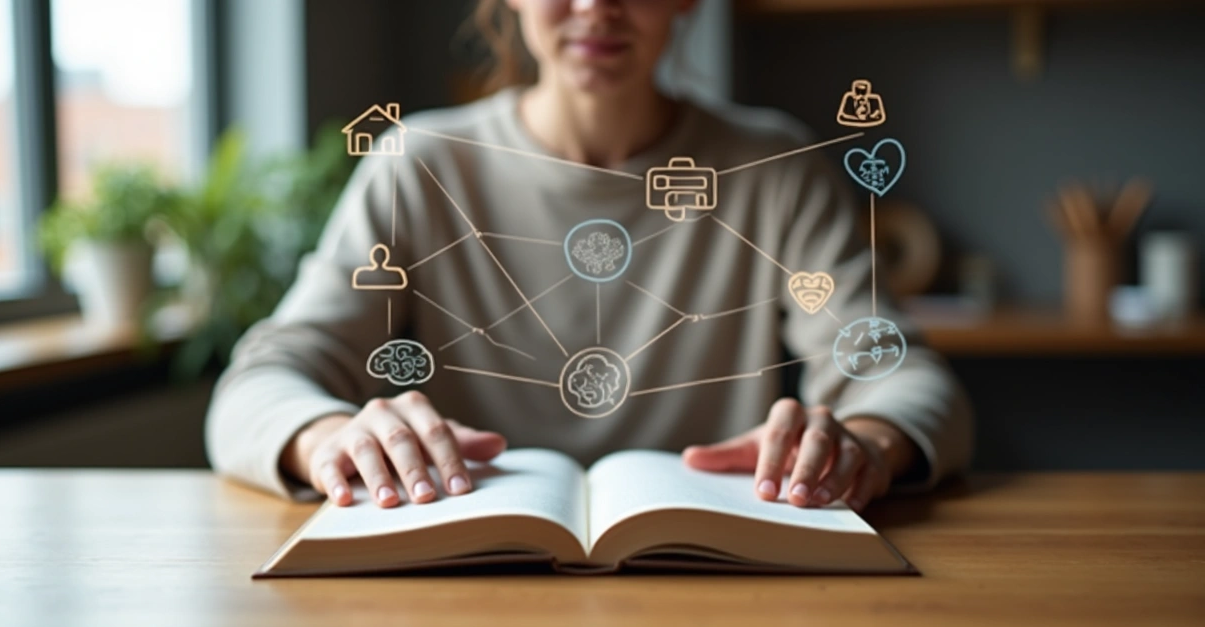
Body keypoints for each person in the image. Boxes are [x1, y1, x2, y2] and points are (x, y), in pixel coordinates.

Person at [206, 0, 972, 512]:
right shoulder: (417, 166)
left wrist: (867, 444)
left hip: (717, 579)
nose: (595, 6)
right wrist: (326, 437)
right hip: (464, 579)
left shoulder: (775, 169)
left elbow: (901, 375)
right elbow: (258, 384)